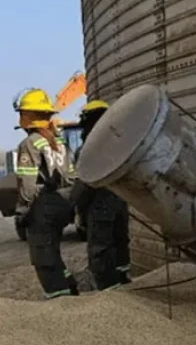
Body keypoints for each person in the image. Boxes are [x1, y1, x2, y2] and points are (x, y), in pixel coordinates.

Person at [13, 88, 79, 299]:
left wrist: (23, 213)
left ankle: (61, 301)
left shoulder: (30, 143)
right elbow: (71, 174)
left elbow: (28, 185)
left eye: (22, 112)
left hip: (44, 203)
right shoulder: (58, 141)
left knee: (43, 257)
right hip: (64, 200)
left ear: (29, 116)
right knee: (53, 252)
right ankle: (71, 288)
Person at [71, 100, 132, 290]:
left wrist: (74, 205)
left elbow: (84, 183)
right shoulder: (120, 142)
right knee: (120, 243)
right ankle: (123, 281)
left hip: (100, 207)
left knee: (100, 250)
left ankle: (109, 291)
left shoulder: (89, 148)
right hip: (120, 203)